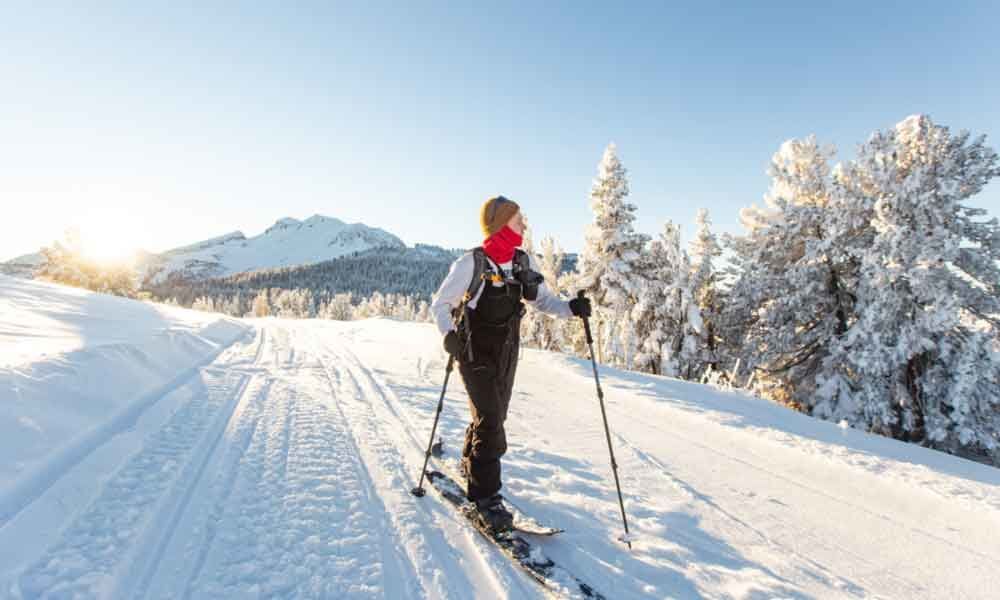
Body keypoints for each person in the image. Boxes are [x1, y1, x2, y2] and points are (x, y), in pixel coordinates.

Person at [429, 195, 591, 532]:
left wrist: (571, 309)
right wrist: (448, 335)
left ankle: (472, 463)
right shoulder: (471, 264)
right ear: (501, 222)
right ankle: (486, 497)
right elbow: (440, 305)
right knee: (490, 421)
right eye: (519, 219)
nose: (525, 224)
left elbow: (543, 301)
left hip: (506, 352)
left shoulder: (521, 262)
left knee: (493, 415)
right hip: (472, 351)